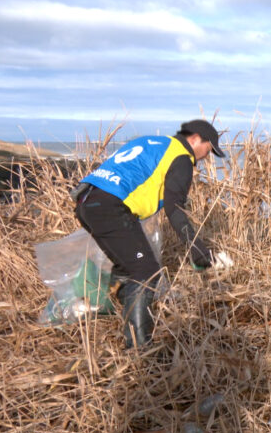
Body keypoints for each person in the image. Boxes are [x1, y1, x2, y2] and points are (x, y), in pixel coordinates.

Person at [72, 119, 233, 349]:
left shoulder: (153, 142)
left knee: (128, 264)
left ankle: (108, 311)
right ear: (195, 139)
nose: (206, 157)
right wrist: (200, 253)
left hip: (87, 201)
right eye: (208, 149)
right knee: (145, 270)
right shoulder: (181, 157)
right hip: (110, 207)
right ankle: (139, 348)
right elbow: (175, 210)